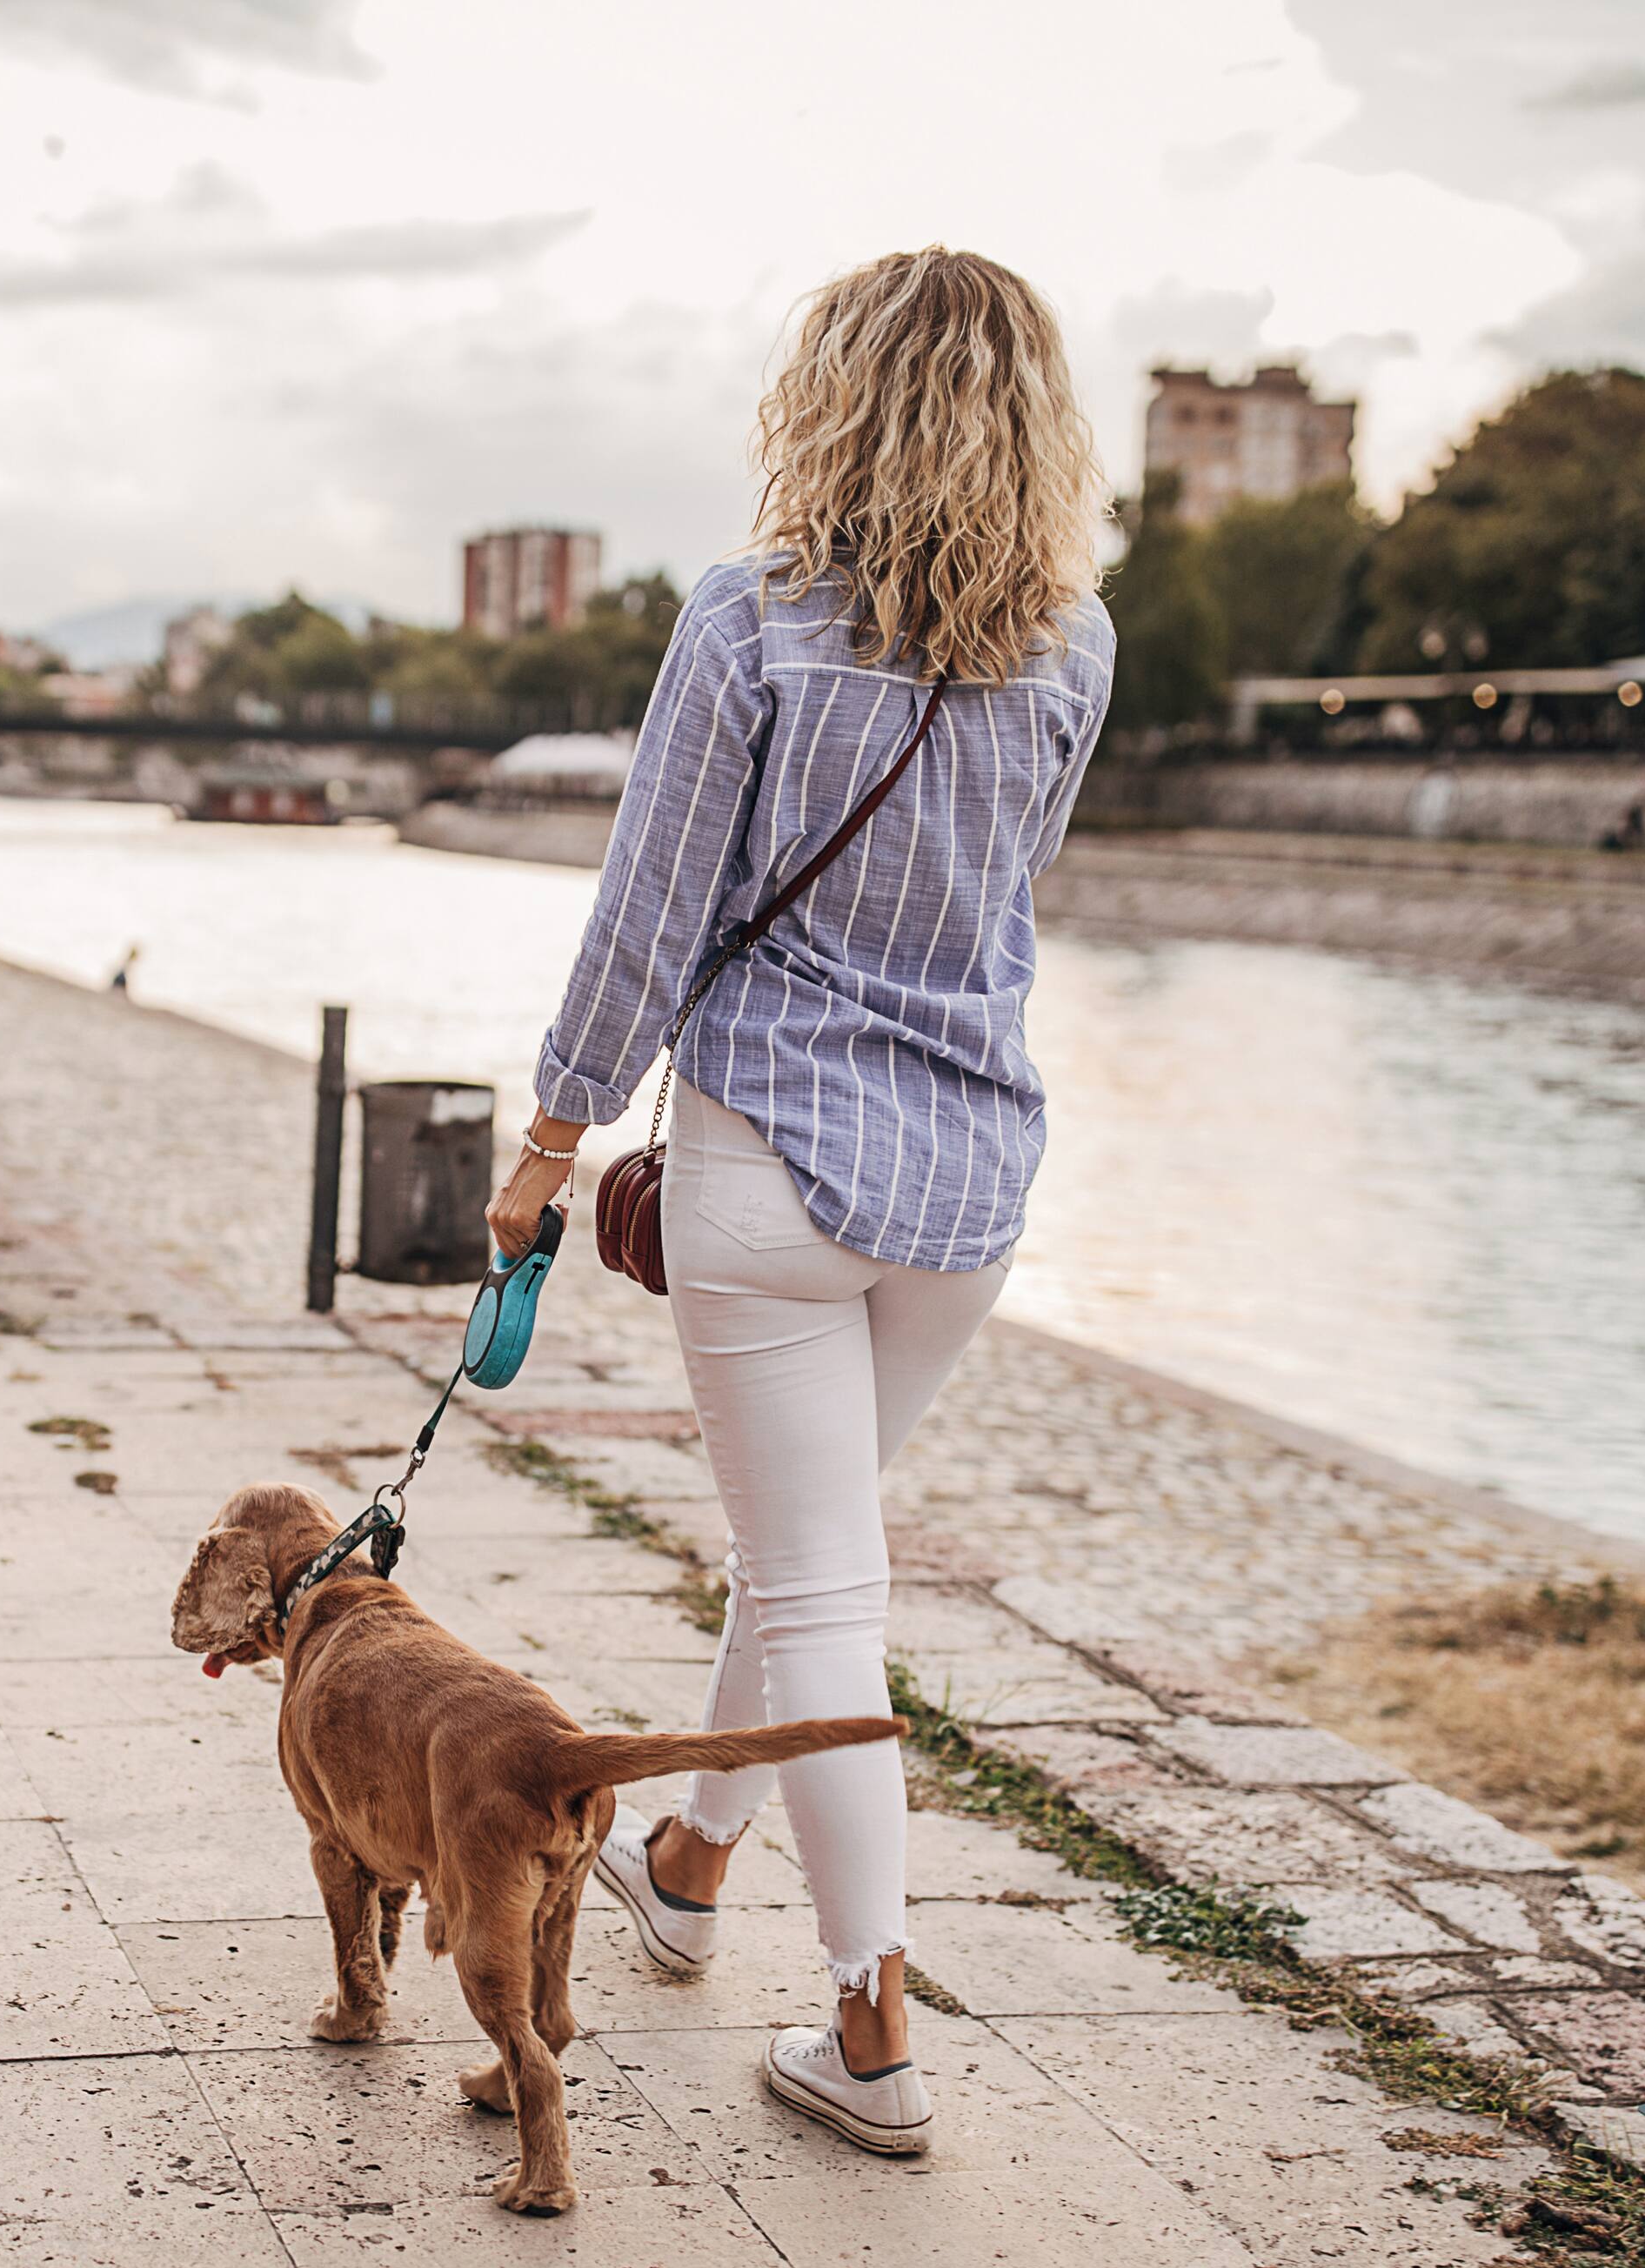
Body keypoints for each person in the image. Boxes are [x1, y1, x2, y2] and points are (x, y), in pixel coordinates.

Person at [487, 249, 1111, 2155]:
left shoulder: (750, 619)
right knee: (813, 1553)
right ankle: (684, 1867)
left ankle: (873, 2031)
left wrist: (552, 1139)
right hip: (968, 1184)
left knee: (825, 1582)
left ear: (831, 399)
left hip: (767, 1153)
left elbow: (650, 910)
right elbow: (1005, 915)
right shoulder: (1076, 647)